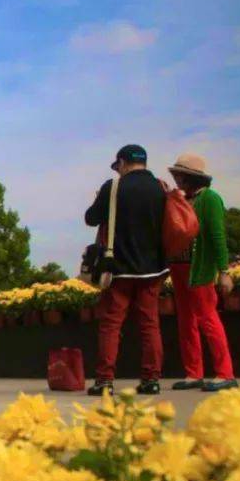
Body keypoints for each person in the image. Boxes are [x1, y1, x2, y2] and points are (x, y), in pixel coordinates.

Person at [84, 144, 168, 396]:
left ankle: (105, 380)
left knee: (111, 325)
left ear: (122, 162)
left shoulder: (114, 187)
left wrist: (101, 197)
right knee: (149, 325)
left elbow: (91, 218)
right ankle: (151, 379)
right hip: (153, 268)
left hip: (118, 269)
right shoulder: (160, 187)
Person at [166, 154, 238, 392]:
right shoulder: (179, 199)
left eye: (180, 175)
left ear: (191, 176)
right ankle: (193, 372)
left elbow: (218, 236)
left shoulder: (210, 199)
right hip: (178, 267)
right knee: (185, 322)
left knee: (208, 319)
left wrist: (224, 271)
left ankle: (225, 373)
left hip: (200, 268)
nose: (176, 179)